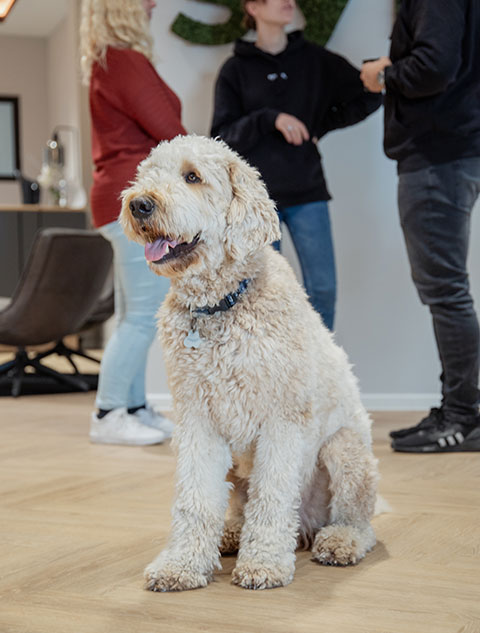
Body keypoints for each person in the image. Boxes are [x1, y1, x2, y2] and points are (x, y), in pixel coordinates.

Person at [210, 0, 382, 331]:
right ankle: (269, 373)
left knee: (323, 289)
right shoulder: (235, 70)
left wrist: (320, 126)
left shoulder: (315, 60)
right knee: (259, 296)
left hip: (308, 193)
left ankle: (316, 371)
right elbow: (220, 138)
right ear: (254, 8)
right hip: (256, 204)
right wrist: (268, 119)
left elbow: (367, 93)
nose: (288, 1)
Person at [360, 0, 480, 453]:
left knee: (446, 291)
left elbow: (435, 65)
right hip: (451, 151)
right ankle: (460, 408)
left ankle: (461, 417)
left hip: (437, 156)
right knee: (448, 291)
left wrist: (383, 75)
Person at [80, 0, 186, 445]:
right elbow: (169, 127)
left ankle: (134, 407)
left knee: (133, 313)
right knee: (144, 314)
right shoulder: (124, 60)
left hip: (117, 198)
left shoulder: (110, 61)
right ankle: (108, 415)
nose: (152, 3)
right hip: (135, 203)